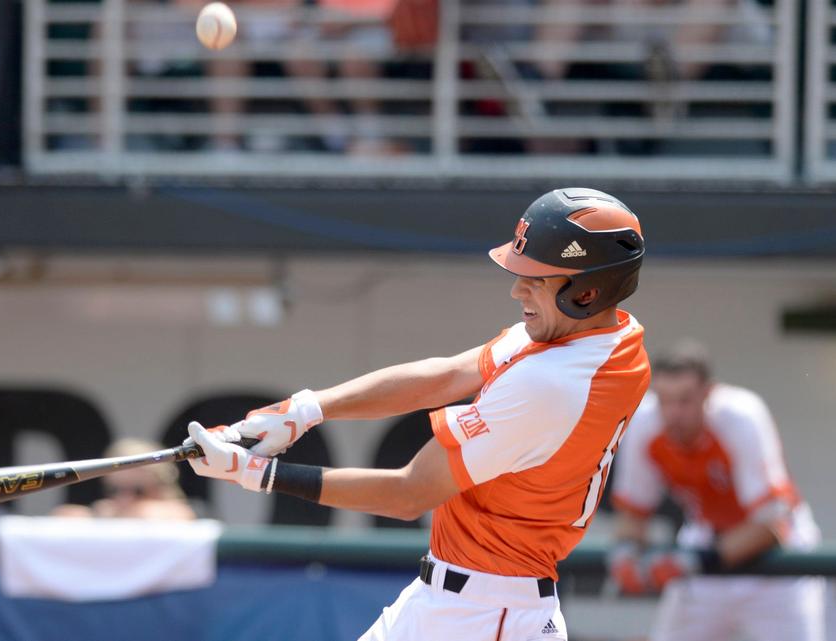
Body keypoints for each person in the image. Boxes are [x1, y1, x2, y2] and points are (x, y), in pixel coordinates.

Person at [186, 187, 650, 641]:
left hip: (487, 616)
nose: (516, 290)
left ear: (586, 293)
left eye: (536, 279)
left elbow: (409, 494)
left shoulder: (550, 383)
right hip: (458, 601)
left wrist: (257, 474)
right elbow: (444, 377)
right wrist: (306, 409)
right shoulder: (606, 335)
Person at [608, 342, 825, 641]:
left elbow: (771, 525)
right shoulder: (645, 421)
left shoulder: (741, 416)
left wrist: (692, 561)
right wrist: (625, 554)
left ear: (708, 394)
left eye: (684, 400)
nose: (673, 413)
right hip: (707, 540)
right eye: (665, 400)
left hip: (776, 561)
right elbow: (633, 513)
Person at [52, 438, 196, 521]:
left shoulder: (177, 513)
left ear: (160, 487)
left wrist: (107, 516)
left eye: (138, 491)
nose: (125, 498)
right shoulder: (107, 511)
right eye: (115, 490)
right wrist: (92, 515)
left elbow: (173, 516)